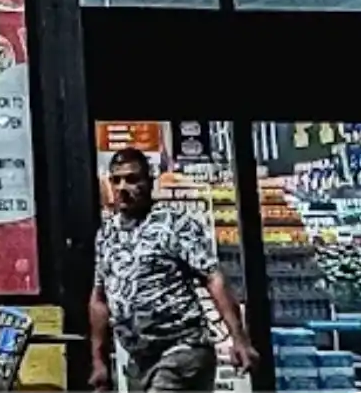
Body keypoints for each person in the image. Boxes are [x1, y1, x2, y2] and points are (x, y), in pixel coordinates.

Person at [90, 148, 258, 395]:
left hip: (183, 349)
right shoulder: (107, 234)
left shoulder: (174, 223)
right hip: (139, 359)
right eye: (116, 180)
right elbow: (99, 299)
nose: (123, 187)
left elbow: (213, 277)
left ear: (149, 182)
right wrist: (99, 361)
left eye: (132, 179)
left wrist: (239, 339)